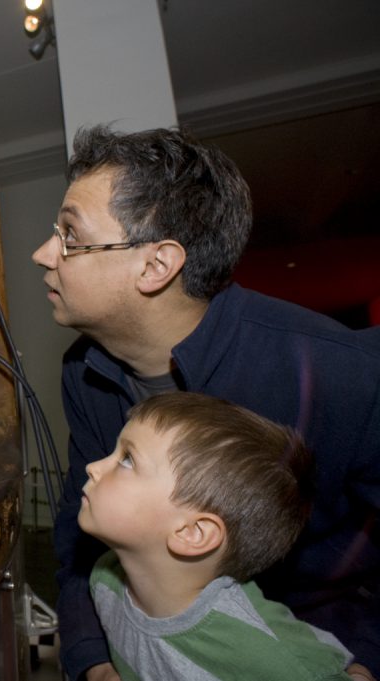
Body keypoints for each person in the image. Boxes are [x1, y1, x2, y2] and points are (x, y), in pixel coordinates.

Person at [30, 125, 380, 681]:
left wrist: (367, 660)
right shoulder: (84, 370)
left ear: (155, 266)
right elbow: (80, 531)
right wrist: (91, 657)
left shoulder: (344, 371)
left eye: (70, 235)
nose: (44, 253)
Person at [82, 391, 371, 680]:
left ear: (193, 532)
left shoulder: (264, 653)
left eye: (128, 460)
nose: (93, 467)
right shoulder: (106, 580)